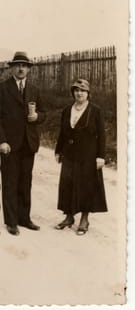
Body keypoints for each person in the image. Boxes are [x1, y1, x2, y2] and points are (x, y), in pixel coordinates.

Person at [0, 51, 46, 236]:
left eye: (24, 65)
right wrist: (1, 142)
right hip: (9, 145)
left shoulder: (35, 89)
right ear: (12, 68)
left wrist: (37, 116)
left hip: (28, 143)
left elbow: (44, 114)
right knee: (10, 182)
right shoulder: (2, 88)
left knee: (25, 182)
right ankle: (11, 221)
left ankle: (24, 218)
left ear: (29, 69)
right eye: (17, 65)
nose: (21, 68)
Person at [55, 79, 107, 235]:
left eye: (82, 91)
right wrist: (58, 151)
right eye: (76, 90)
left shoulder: (95, 110)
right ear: (73, 93)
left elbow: (102, 135)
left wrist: (101, 156)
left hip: (88, 155)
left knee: (86, 186)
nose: (79, 93)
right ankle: (69, 217)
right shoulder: (67, 110)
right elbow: (62, 133)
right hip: (69, 154)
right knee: (67, 184)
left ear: (88, 93)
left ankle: (84, 219)